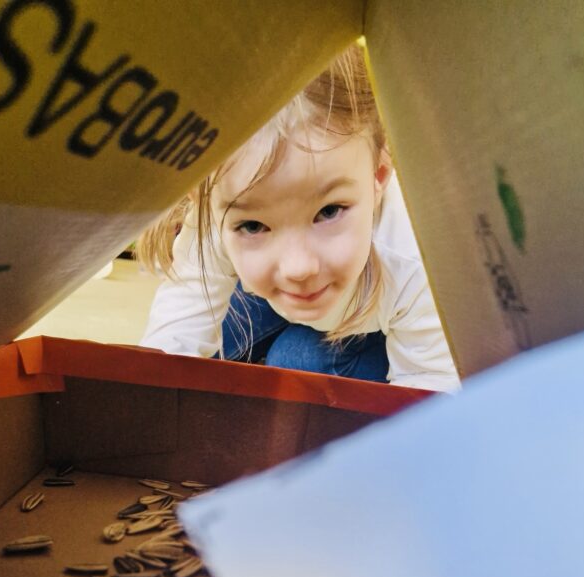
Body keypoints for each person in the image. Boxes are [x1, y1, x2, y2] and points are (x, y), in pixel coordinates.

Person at [138, 45, 460, 392]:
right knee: (195, 356)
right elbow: (174, 339)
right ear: (204, 202)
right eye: (253, 226)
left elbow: (429, 387)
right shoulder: (224, 204)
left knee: (297, 362)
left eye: (329, 211)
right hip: (274, 296)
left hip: (377, 329)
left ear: (378, 176)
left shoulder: (417, 256)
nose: (298, 268)